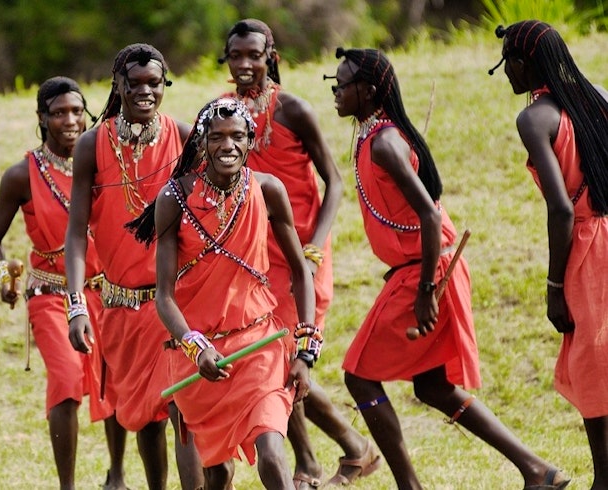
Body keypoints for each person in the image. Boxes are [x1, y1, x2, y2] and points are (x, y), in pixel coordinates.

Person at [329, 47, 571, 489]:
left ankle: (410, 486)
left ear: (368, 90)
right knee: (433, 387)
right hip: (418, 268)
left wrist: (424, 291)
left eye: (341, 85)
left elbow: (430, 216)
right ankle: (537, 471)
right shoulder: (372, 137)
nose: (335, 92)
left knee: (359, 377)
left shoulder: (384, 142)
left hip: (426, 272)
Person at [219, 19, 379, 489]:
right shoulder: (223, 112)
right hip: (251, 256)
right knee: (267, 358)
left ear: (272, 56)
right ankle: (330, 456)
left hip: (301, 257)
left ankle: (341, 452)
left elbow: (335, 181)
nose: (245, 65)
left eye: (254, 55)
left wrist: (314, 248)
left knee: (281, 355)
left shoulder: (295, 109)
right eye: (236, 56)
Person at [127, 96, 319, 490]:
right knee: (217, 474)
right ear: (201, 143)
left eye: (237, 136)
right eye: (217, 137)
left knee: (270, 450)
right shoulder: (173, 199)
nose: (227, 145)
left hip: (258, 345)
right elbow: (164, 296)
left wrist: (305, 350)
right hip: (200, 356)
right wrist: (195, 346)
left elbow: (301, 271)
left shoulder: (268, 190)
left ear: (250, 141)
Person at [64, 44, 202, 490]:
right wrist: (76, 306)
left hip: (177, 304)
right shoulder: (92, 144)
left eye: (154, 83)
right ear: (117, 85)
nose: (145, 91)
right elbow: (76, 232)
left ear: (166, 85)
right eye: (135, 83)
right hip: (121, 309)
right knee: (145, 418)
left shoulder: (184, 136)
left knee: (184, 407)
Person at [0, 76, 129, 490]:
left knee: (112, 382)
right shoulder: (22, 175)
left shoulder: (104, 163)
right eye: (59, 112)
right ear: (42, 118)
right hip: (50, 295)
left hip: (106, 292)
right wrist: (2, 277)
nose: (69, 120)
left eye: (76, 111)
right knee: (65, 381)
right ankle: (67, 486)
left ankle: (116, 475)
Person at [492, 20, 608, 489]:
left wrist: (554, 286)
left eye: (507, 64)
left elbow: (561, 210)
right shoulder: (597, 94)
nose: (506, 74)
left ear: (524, 63)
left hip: (587, 248)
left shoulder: (535, 118)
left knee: (592, 363)